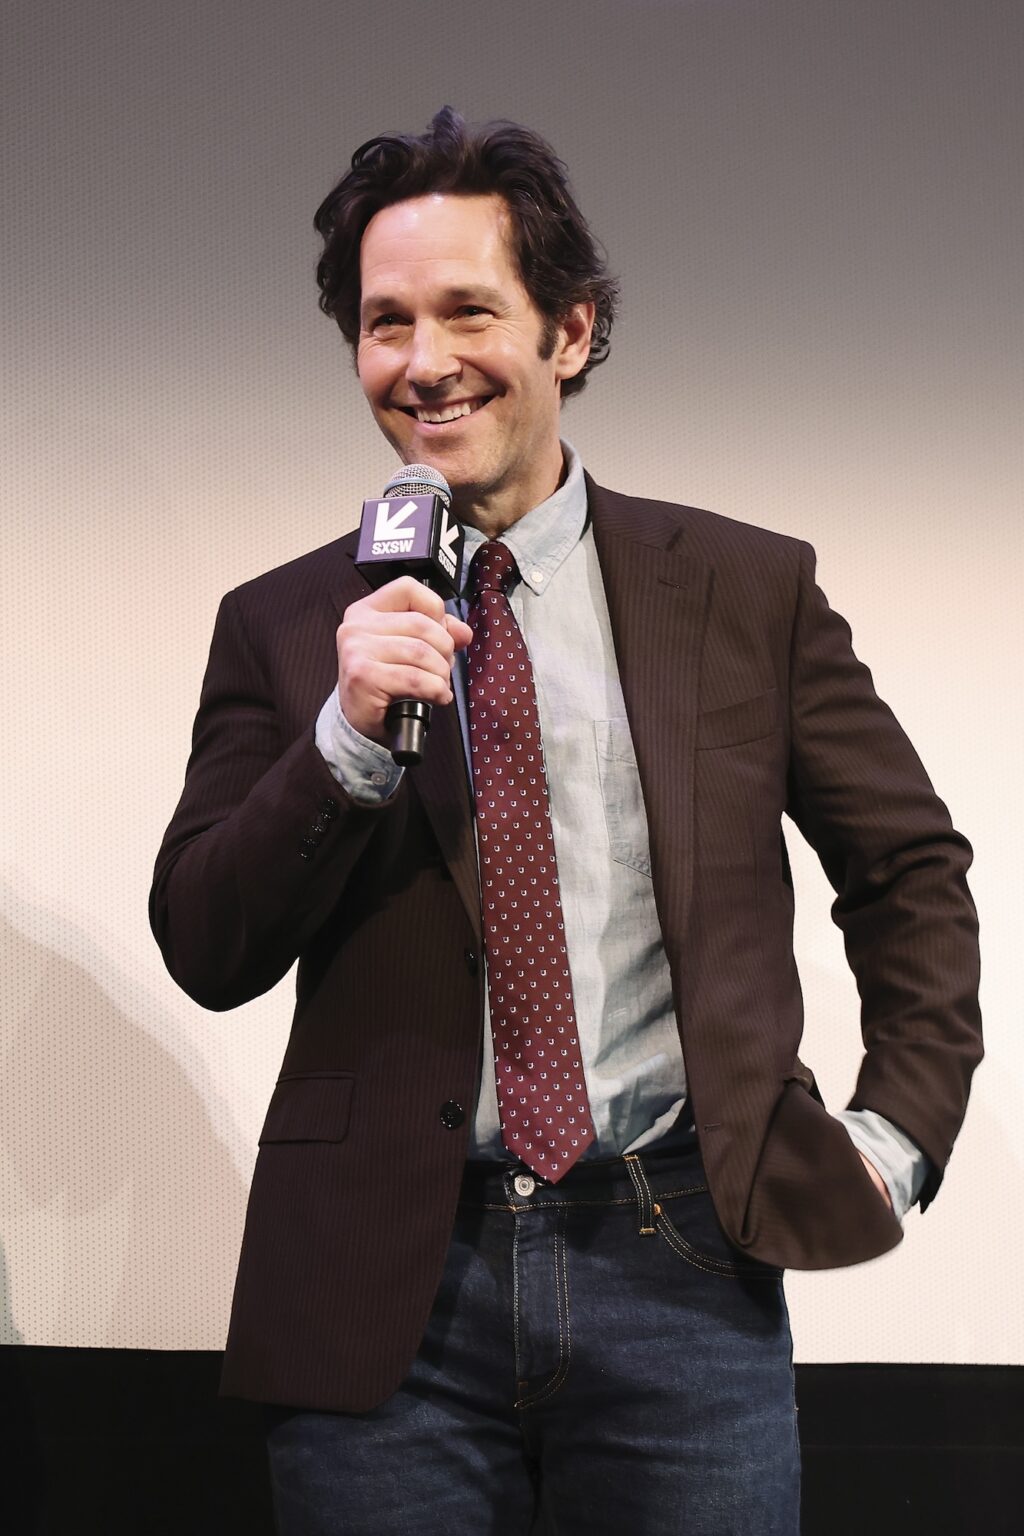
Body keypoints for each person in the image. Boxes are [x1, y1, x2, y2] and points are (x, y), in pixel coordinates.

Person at [150, 107, 982, 1534]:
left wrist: (897, 1135)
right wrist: (343, 739)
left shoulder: (743, 590)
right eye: (384, 321)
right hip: (382, 1294)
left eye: (470, 310)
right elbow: (207, 942)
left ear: (571, 335)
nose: (424, 362)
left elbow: (909, 870)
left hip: (679, 1260)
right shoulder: (290, 625)